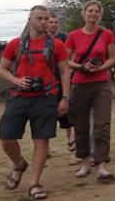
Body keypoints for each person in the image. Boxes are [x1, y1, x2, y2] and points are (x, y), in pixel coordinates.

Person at [0, 5, 70, 200]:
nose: (44, 22)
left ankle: (35, 183)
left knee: (41, 139)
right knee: (6, 137)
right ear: (29, 20)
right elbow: (2, 70)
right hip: (19, 96)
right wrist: (17, 80)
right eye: (40, 18)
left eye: (47, 19)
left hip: (45, 97)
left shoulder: (56, 45)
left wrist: (65, 98)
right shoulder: (15, 44)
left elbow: (65, 71)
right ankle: (19, 164)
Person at [65, 0, 115, 181]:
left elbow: (112, 59)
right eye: (90, 11)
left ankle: (102, 164)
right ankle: (85, 161)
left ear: (99, 15)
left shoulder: (106, 34)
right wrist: (81, 67)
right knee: (81, 124)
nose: (93, 14)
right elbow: (66, 60)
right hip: (80, 83)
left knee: (102, 125)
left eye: (96, 11)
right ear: (84, 13)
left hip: (101, 83)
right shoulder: (73, 35)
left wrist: (101, 68)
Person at [47, 12, 74, 152]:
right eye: (50, 22)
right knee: (46, 114)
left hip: (62, 78)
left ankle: (70, 136)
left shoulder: (64, 38)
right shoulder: (42, 39)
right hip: (47, 81)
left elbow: (71, 56)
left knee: (65, 110)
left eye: (55, 22)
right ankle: (46, 146)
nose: (53, 24)